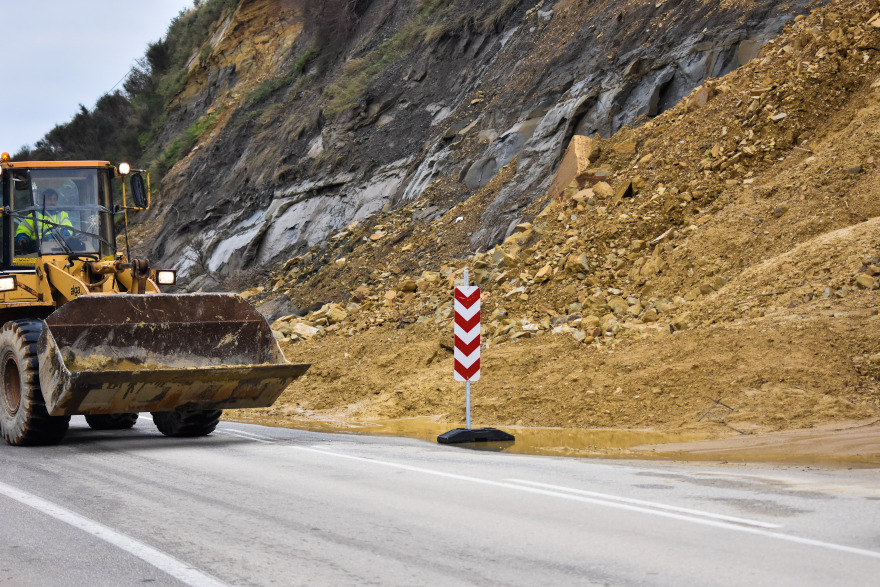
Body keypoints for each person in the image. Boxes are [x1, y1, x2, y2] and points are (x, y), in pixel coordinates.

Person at [15, 189, 75, 254]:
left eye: (54, 199)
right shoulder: (34, 215)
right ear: (42, 201)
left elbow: (67, 225)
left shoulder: (62, 214)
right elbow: (23, 229)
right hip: (37, 246)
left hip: (59, 245)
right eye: (49, 199)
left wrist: (65, 233)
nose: (52, 202)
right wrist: (23, 238)